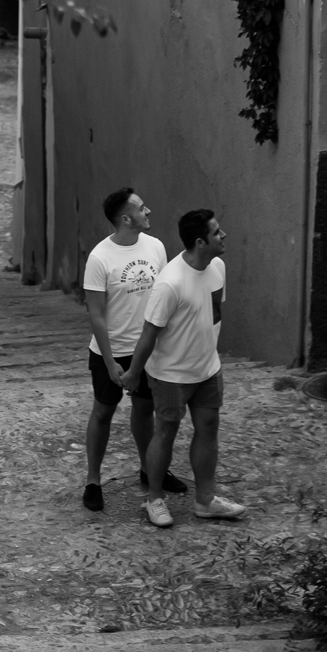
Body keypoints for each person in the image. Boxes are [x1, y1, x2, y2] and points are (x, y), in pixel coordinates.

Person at [123, 209, 247, 528]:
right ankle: (154, 499)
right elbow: (149, 332)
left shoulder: (217, 266)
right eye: (217, 233)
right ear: (200, 242)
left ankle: (205, 500)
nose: (223, 236)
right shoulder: (170, 283)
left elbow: (213, 314)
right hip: (170, 375)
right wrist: (135, 372)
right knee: (165, 433)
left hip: (207, 370)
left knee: (208, 429)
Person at [79, 188, 183, 511]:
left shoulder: (155, 247)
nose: (148, 210)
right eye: (141, 207)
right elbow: (96, 314)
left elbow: (162, 295)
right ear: (126, 218)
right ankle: (93, 481)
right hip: (110, 351)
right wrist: (110, 362)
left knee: (144, 410)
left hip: (146, 348)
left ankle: (150, 469)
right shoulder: (100, 258)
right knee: (103, 412)